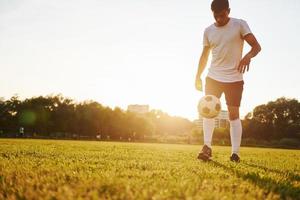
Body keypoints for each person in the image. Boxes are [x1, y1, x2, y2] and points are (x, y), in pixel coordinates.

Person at [195, 0, 261, 162]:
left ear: (228, 11)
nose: (219, 19)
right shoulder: (208, 31)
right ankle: (207, 147)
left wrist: (247, 56)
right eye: (215, 16)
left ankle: (235, 153)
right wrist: (197, 76)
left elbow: (256, 46)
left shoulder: (240, 25)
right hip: (213, 77)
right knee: (208, 112)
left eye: (222, 15)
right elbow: (204, 55)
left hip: (234, 78)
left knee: (233, 114)